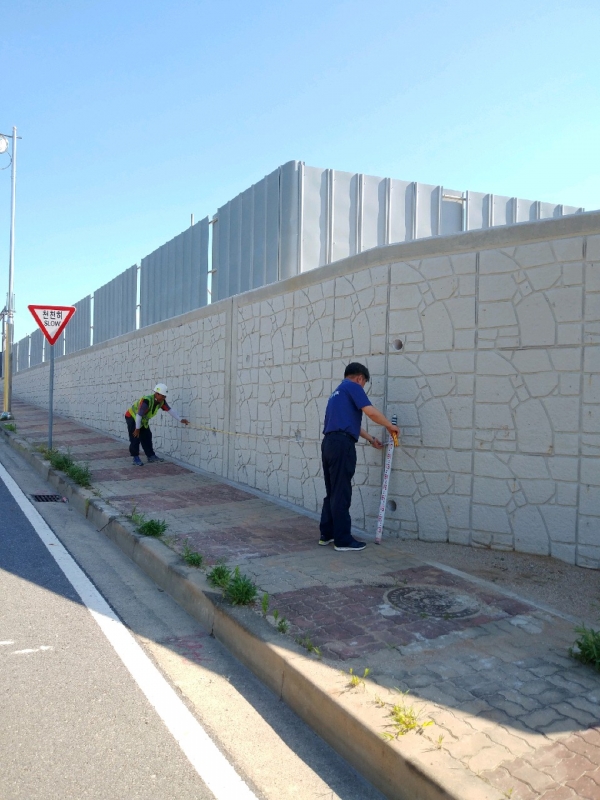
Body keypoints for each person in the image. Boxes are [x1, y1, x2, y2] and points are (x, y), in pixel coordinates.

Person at [319, 363, 400, 551]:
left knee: (332, 491)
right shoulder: (353, 387)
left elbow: (349, 424)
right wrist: (389, 426)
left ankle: (327, 534)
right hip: (342, 445)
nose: (363, 387)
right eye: (364, 383)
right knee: (342, 492)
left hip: (329, 443)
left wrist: (371, 439)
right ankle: (343, 540)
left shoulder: (337, 393)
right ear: (360, 378)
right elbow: (370, 411)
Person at [125, 383, 189, 466]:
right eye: (162, 396)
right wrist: (137, 429)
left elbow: (170, 410)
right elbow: (138, 415)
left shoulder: (161, 402)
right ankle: (135, 458)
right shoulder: (147, 401)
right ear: (157, 394)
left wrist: (180, 420)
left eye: (165, 396)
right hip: (132, 417)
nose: (164, 398)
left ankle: (151, 456)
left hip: (142, 420)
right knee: (135, 437)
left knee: (147, 436)